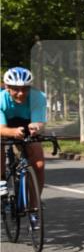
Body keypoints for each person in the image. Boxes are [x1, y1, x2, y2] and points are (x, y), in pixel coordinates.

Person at [0, 67, 47, 224]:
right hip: (5, 126)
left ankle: (34, 207)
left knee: (39, 165)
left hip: (26, 125)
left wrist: (36, 127)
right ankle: (1, 181)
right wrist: (13, 132)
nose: (21, 93)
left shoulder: (38, 97)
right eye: (15, 89)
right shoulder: (1, 99)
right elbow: (1, 128)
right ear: (7, 87)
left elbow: (39, 122)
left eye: (25, 89)